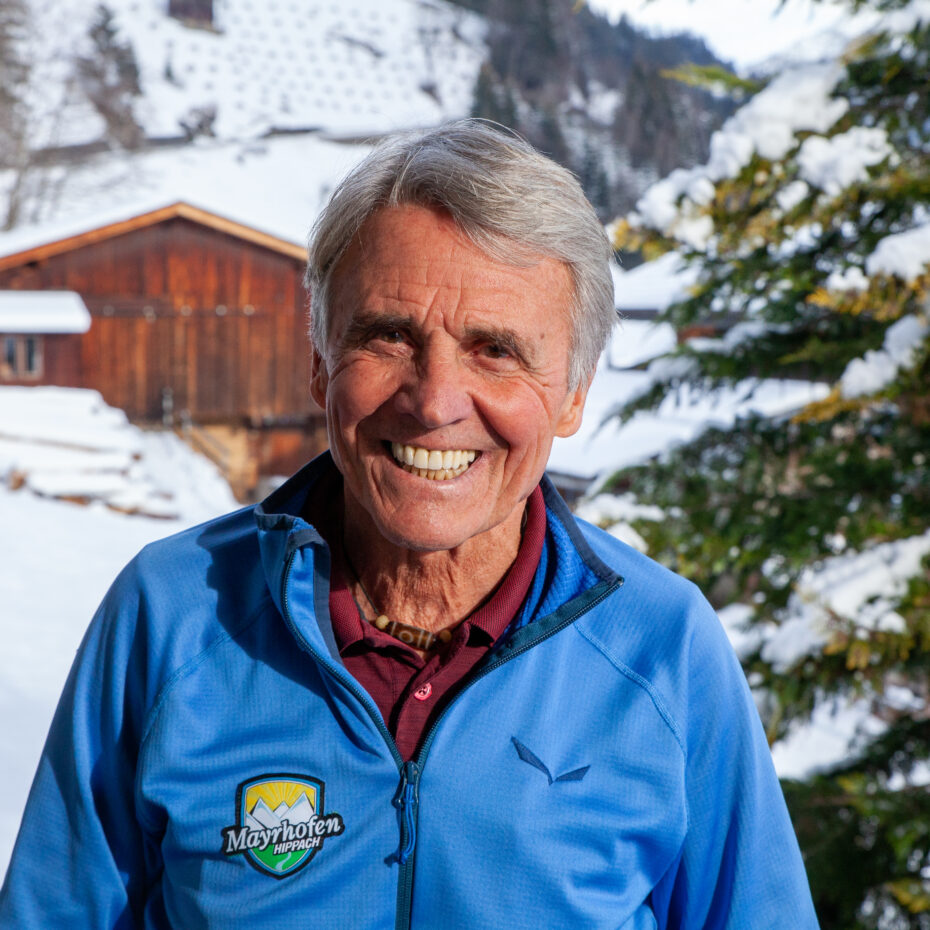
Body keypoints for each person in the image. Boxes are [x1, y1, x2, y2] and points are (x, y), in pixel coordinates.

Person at [0, 120, 819, 928]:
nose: (433, 402)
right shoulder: (174, 613)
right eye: (389, 337)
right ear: (320, 355)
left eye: (496, 349)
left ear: (572, 392)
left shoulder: (663, 649)